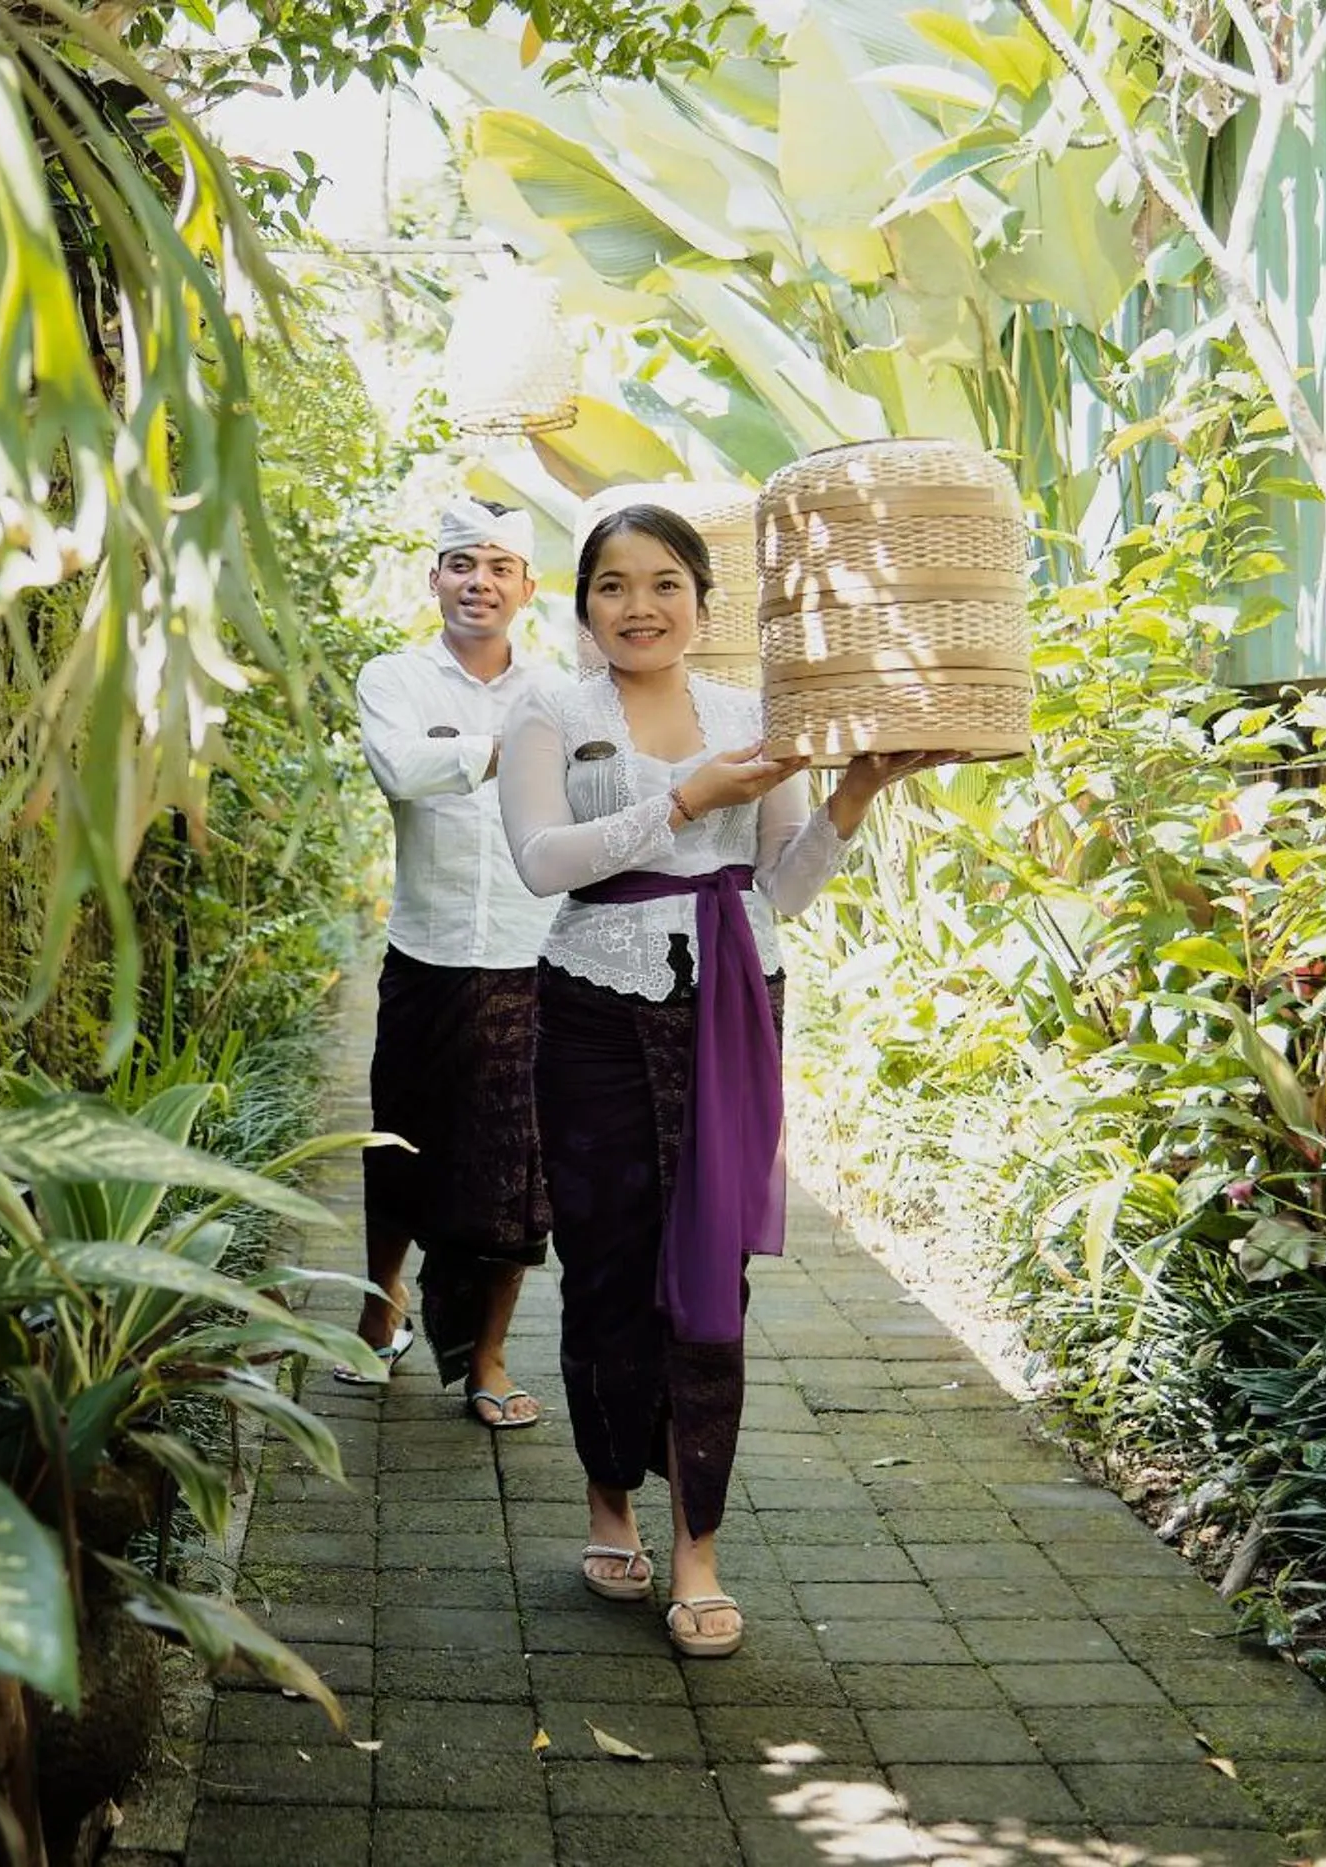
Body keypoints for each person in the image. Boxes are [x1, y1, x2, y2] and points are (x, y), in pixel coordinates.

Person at [498, 500, 931, 1656]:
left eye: (662, 584)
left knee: (710, 1273)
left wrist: (853, 795)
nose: (637, 607)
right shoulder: (550, 707)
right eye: (610, 586)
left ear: (702, 598)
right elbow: (541, 862)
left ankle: (698, 1548)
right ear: (583, 602)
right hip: (589, 1005)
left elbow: (778, 889)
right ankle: (607, 1504)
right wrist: (684, 799)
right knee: (604, 1268)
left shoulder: (752, 715)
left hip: (732, 1005)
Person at [345, 495, 564, 1429]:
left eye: (499, 567)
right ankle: (378, 1310)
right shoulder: (393, 679)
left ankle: (488, 1357)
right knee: (402, 1143)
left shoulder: (559, 689)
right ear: (433, 577)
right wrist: (511, 749)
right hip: (427, 953)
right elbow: (402, 769)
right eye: (462, 564)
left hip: (534, 957)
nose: (480, 582)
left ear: (527, 587)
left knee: (516, 1170)